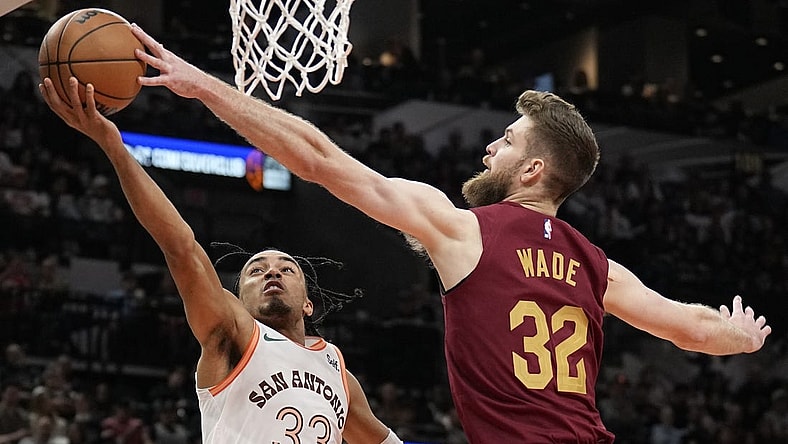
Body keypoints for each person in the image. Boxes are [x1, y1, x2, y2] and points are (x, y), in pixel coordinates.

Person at [121, 25, 772, 443]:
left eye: (508, 141)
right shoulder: (596, 266)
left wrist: (202, 86)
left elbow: (320, 159)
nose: (491, 147)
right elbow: (688, 328)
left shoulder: (466, 232)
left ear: (534, 168)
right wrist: (740, 336)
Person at [38, 78, 402, 444]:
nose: (271, 271)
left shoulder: (335, 367)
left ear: (308, 303)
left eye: (286, 268)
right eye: (255, 271)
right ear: (240, 300)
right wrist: (115, 148)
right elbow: (181, 247)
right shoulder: (232, 333)